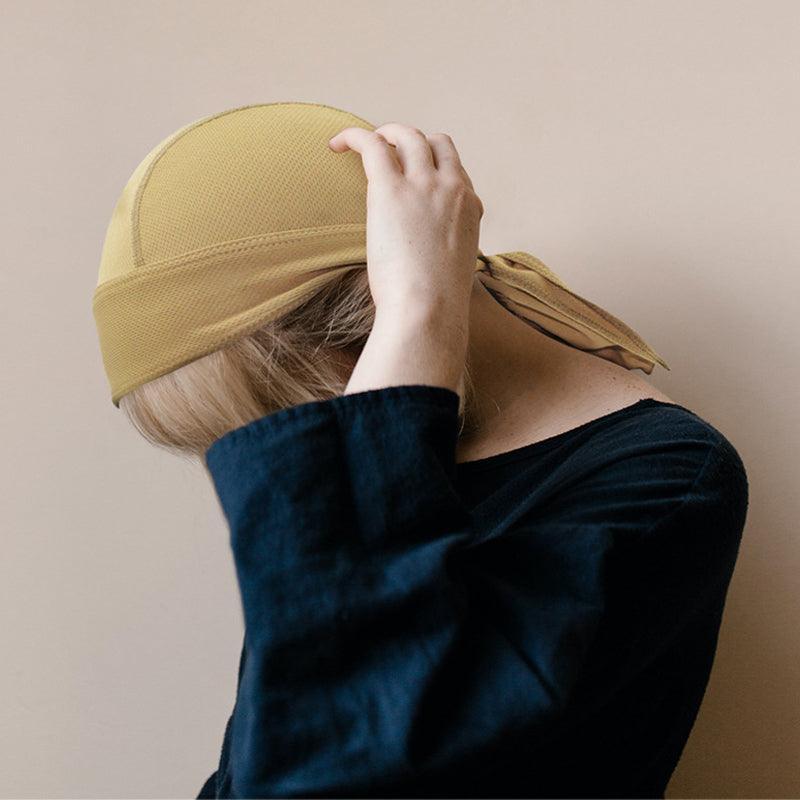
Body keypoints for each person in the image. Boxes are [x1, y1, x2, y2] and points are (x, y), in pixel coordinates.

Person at [104, 116, 749, 798]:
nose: (300, 463)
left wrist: (419, 311)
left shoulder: (666, 478)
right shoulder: (375, 494)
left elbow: (339, 757)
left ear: (366, 333)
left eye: (282, 417)